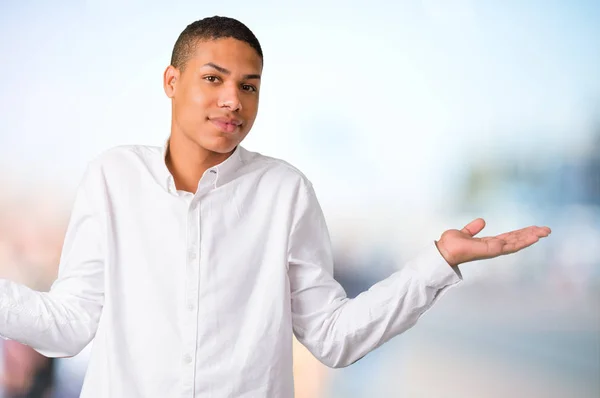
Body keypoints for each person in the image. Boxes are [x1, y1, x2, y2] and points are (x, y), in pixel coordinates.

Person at [0, 16, 551, 397]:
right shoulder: (114, 176)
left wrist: (437, 263)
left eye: (249, 86)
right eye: (213, 79)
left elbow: (333, 337)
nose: (232, 101)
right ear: (172, 82)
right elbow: (70, 324)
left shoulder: (285, 192)